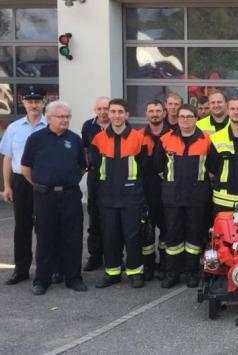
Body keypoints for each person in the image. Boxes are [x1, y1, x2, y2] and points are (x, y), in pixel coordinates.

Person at [20, 100, 87, 295]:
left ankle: (73, 277)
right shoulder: (36, 139)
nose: (65, 120)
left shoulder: (75, 139)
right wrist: (42, 185)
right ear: (49, 118)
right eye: (61, 116)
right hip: (44, 196)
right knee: (45, 237)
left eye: (68, 116)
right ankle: (42, 279)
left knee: (73, 238)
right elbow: (26, 169)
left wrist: (64, 181)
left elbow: (82, 167)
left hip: (70, 195)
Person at [0, 86, 56, 285]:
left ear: (43, 103)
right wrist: (7, 185)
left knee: (46, 226)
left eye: (37, 101)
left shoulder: (51, 125)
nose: (34, 104)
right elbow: (7, 158)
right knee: (22, 227)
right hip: (20, 182)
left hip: (43, 180)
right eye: (30, 101)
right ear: (23, 103)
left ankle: (48, 269)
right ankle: (21, 270)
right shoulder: (14, 128)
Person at [90, 98, 149, 289]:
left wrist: (142, 197)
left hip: (132, 197)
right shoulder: (98, 139)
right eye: (112, 111)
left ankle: (135, 272)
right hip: (107, 197)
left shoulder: (139, 138)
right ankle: (112, 272)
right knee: (110, 235)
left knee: (132, 236)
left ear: (127, 115)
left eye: (119, 112)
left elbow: (145, 170)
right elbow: (96, 171)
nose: (116, 115)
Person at [154, 105, 211, 288]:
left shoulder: (206, 139)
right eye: (182, 116)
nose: (185, 120)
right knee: (173, 236)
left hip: (197, 196)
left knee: (194, 236)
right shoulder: (166, 139)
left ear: (196, 118)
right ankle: (172, 273)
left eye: (189, 116)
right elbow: (157, 165)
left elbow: (214, 167)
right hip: (173, 197)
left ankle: (191, 272)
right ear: (177, 118)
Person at [140, 100, 171, 281]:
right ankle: (148, 267)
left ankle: (165, 266)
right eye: (151, 111)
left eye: (158, 111)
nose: (155, 114)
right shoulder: (138, 136)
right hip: (145, 193)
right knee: (146, 233)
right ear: (146, 113)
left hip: (167, 193)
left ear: (164, 113)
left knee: (167, 232)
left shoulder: (173, 135)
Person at [81, 96, 110, 272]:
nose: (103, 112)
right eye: (99, 109)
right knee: (95, 218)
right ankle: (95, 256)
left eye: (105, 108)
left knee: (113, 220)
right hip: (95, 178)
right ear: (95, 110)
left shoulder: (119, 125)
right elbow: (85, 149)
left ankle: (113, 256)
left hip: (113, 179)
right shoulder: (88, 126)